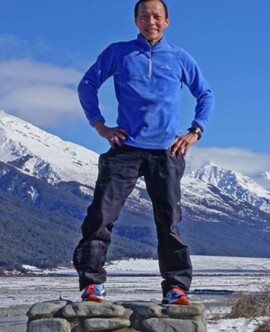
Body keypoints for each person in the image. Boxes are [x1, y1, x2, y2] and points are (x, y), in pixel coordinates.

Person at [73, 0, 214, 305]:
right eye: (144, 16)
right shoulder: (119, 52)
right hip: (125, 147)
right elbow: (88, 84)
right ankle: (91, 285)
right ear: (136, 21)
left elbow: (205, 94)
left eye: (156, 16)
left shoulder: (180, 58)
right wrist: (100, 126)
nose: (151, 20)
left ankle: (176, 288)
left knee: (169, 219)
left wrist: (195, 131)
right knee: (101, 214)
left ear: (166, 21)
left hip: (166, 151)